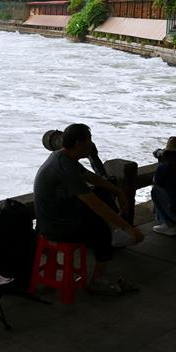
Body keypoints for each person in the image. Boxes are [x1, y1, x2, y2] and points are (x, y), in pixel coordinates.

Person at [33, 123, 144, 296]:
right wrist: (127, 227)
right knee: (100, 229)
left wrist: (117, 191)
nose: (92, 145)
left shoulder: (63, 157)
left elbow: (90, 177)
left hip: (59, 215)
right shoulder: (65, 167)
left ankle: (113, 234)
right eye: (89, 141)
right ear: (79, 143)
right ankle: (97, 281)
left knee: (102, 194)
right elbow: (94, 204)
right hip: (55, 226)